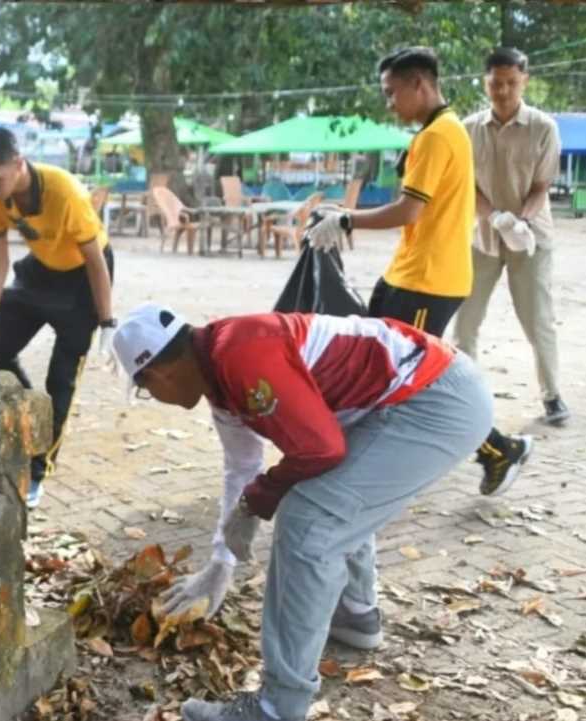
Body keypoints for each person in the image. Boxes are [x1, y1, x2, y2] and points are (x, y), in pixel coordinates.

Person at [112, 303, 493, 721]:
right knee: (331, 495)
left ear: (157, 372)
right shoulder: (217, 375)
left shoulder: (242, 354)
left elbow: (320, 449)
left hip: (434, 400)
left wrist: (258, 499)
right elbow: (241, 467)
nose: (157, 399)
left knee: (309, 520)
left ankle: (278, 707)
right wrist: (220, 564)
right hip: (419, 394)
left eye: (147, 390)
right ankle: (354, 614)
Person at [307, 46, 531, 496]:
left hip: (429, 281)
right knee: (378, 367)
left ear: (419, 85)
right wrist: (343, 214)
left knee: (415, 382)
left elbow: (409, 211)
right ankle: (357, 455)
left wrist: (347, 219)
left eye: (392, 93)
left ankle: (497, 450)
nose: (389, 103)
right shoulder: (442, 131)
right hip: (409, 274)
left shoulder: (437, 136)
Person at [0, 127, 117, 509]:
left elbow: (96, 259)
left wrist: (107, 322)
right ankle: (34, 407)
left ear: (18, 164)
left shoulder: (63, 190)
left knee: (61, 379)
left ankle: (38, 470)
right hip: (41, 270)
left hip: (84, 279)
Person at [454, 47, 569, 426]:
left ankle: (552, 396)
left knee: (538, 319)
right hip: (482, 237)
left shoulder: (543, 127)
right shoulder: (468, 129)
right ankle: (465, 398)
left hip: (531, 238)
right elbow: (467, 186)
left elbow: (541, 185)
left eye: (511, 83)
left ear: (525, 81)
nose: (502, 91)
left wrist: (519, 223)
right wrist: (497, 218)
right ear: (484, 82)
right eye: (495, 83)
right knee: (466, 320)